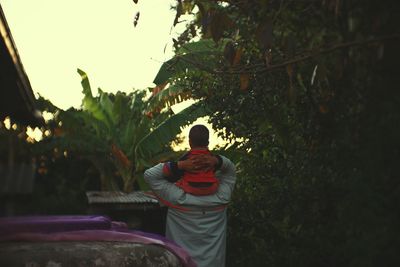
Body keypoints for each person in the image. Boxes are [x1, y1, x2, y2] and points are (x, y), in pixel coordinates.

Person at [144, 125, 237, 267]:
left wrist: (180, 165)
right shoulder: (222, 197)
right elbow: (230, 170)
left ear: (189, 142)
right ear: (208, 142)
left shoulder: (177, 198)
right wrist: (217, 161)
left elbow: (150, 175)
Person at [162, 124, 221, 196]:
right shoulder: (211, 158)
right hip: (211, 188)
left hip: (190, 188)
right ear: (208, 143)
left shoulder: (187, 157)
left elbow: (169, 170)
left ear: (190, 142)